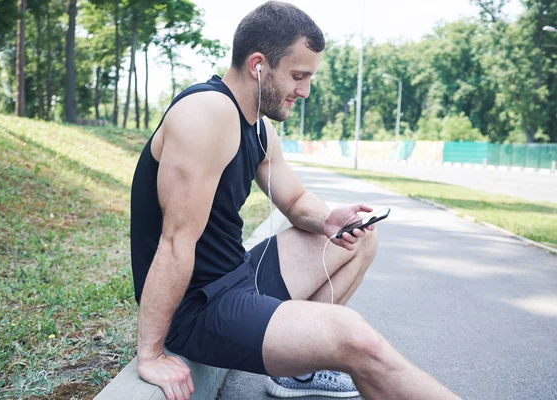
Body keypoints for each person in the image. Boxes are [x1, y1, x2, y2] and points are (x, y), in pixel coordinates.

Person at [130, 2, 460, 399]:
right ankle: (318, 348)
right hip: (200, 308)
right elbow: (174, 243)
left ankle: (300, 371)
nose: (304, 91)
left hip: (238, 276)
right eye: (298, 76)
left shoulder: (257, 126)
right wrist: (150, 354)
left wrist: (330, 221)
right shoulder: (206, 112)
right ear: (258, 65)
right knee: (354, 337)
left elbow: (296, 199)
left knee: (360, 240)